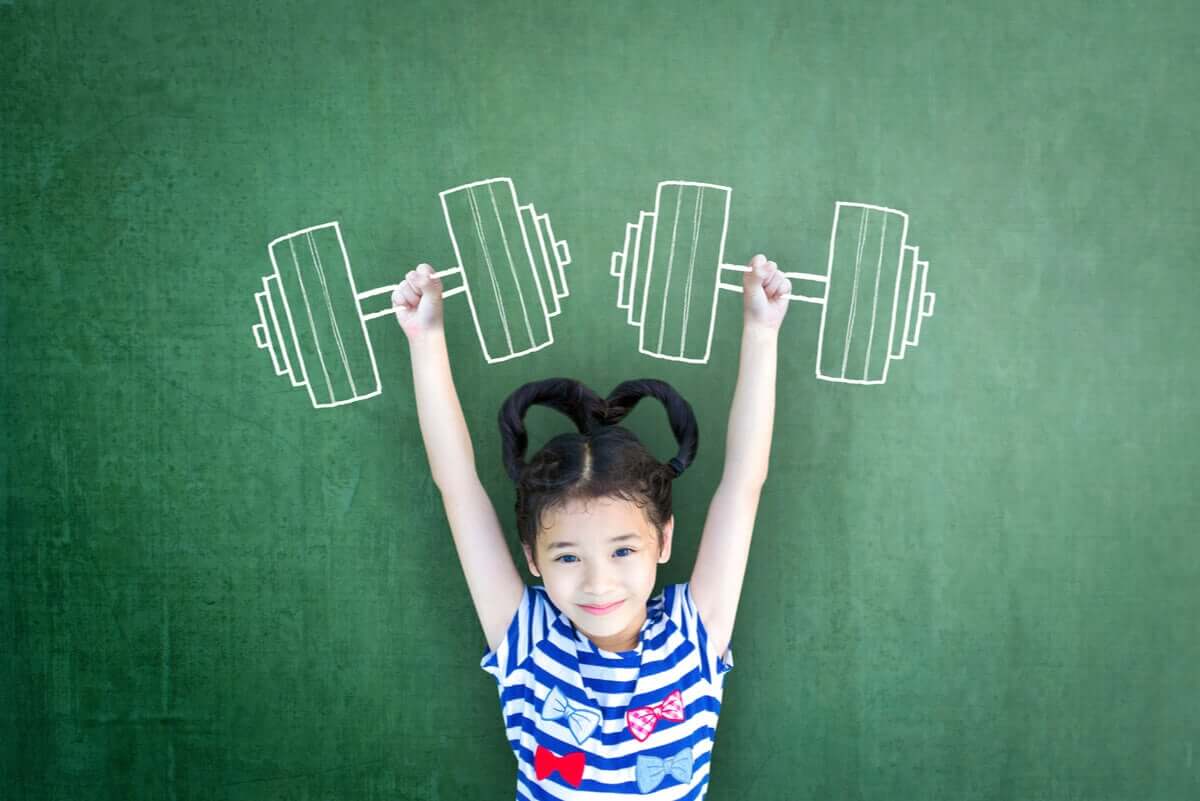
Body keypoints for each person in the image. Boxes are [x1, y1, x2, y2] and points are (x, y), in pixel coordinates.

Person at [393, 254, 791, 798]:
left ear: (663, 540)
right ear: (532, 558)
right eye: (567, 557)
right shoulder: (528, 639)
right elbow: (458, 488)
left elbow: (744, 484)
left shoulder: (692, 633)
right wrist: (425, 338)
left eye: (623, 551)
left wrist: (761, 330)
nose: (597, 583)